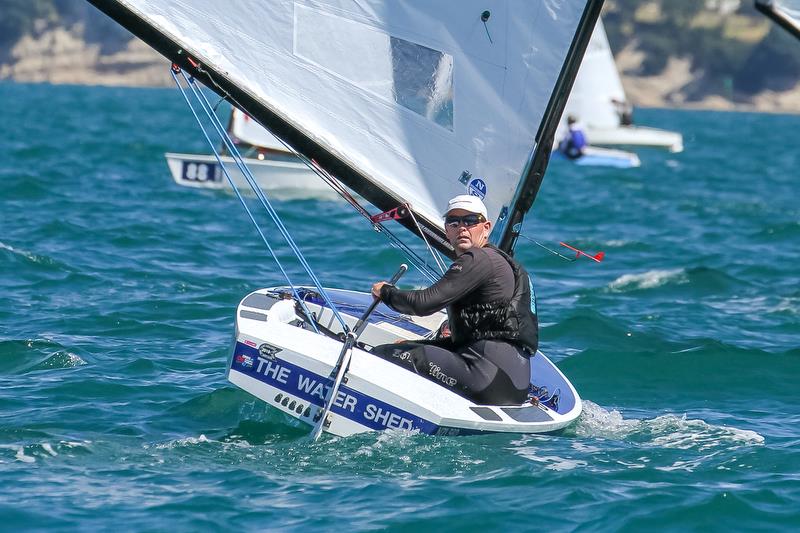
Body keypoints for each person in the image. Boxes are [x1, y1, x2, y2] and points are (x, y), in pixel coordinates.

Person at [369, 195, 539, 406]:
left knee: (380, 354)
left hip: (485, 380)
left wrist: (386, 292)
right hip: (512, 388)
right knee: (408, 348)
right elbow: (474, 339)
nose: (462, 228)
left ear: (486, 228)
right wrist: (416, 344)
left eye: (470, 221)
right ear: (446, 229)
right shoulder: (500, 261)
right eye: (454, 222)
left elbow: (422, 304)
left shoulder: (479, 258)